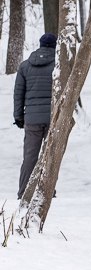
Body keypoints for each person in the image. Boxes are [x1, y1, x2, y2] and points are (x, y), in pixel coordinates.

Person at [14, 33, 56, 199]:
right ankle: (48, 191)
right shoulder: (59, 65)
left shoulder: (25, 66)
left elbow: (19, 93)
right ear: (54, 46)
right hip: (52, 117)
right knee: (50, 156)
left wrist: (18, 117)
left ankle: (23, 191)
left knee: (30, 157)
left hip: (31, 119)